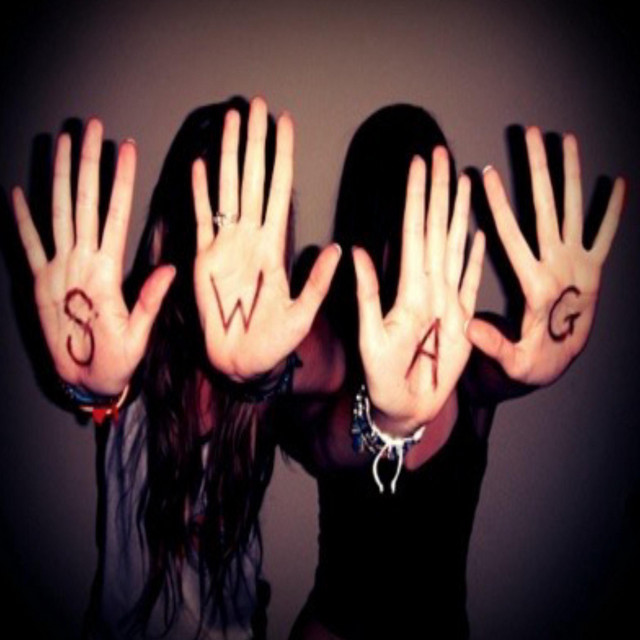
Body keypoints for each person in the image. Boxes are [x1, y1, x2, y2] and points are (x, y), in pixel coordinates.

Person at [287, 104, 625, 639]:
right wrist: (378, 420)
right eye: (396, 206)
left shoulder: (468, 346)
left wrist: (535, 353)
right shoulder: (336, 337)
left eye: (429, 205)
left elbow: (501, 360)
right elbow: (318, 434)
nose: (411, 234)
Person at [10, 96, 342, 639]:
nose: (220, 242)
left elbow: (332, 366)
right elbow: (99, 390)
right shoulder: (125, 329)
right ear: (170, 221)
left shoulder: (278, 340)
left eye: (241, 217)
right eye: (207, 211)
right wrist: (91, 392)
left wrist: (266, 371)